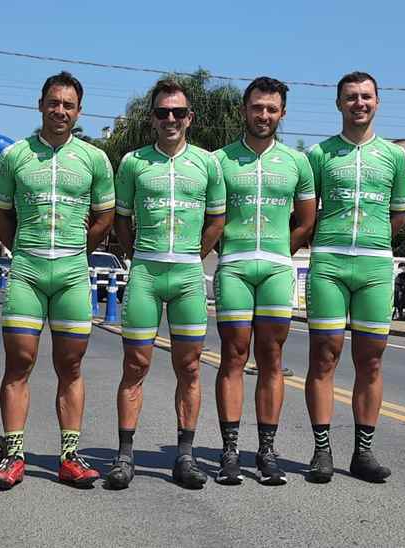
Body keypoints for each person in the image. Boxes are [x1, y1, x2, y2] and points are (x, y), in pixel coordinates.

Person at [0, 71, 115, 489]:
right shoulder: (15, 156)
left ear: (79, 111)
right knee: (18, 364)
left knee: (71, 366)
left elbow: (105, 216)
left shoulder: (94, 158)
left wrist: (81, 249)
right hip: (27, 269)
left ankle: (70, 455)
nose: (60, 110)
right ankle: (14, 454)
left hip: (72, 272)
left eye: (69, 105)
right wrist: (19, 248)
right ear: (40, 104)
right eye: (53, 102)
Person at [109, 78, 226, 490]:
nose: (170, 119)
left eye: (178, 112)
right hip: (145, 273)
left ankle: (186, 456)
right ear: (153, 119)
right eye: (162, 112)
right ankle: (125, 457)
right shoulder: (133, 162)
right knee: (134, 366)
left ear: (190, 118)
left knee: (189, 367)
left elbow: (216, 219)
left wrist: (196, 256)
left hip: (188, 277)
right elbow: (121, 218)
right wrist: (134, 254)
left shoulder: (209, 164)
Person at [305, 72, 405, 484]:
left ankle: (363, 453)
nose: (359, 103)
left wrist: (373, 244)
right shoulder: (318, 155)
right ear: (338, 104)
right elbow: (306, 213)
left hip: (374, 265)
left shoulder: (396, 157)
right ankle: (321, 451)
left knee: (370, 361)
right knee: (325, 356)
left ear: (378, 103)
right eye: (351, 97)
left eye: (366, 96)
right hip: (329, 261)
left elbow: (397, 217)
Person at [212, 77, 316, 486]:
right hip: (234, 267)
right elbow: (209, 219)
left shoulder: (297, 162)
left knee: (272, 360)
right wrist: (227, 251)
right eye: (257, 107)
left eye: (272, 109)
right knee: (233, 357)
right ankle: (230, 451)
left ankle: (267, 452)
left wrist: (278, 252)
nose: (264, 115)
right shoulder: (219, 160)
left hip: (276, 268)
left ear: (282, 114)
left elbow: (306, 221)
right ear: (244, 110)